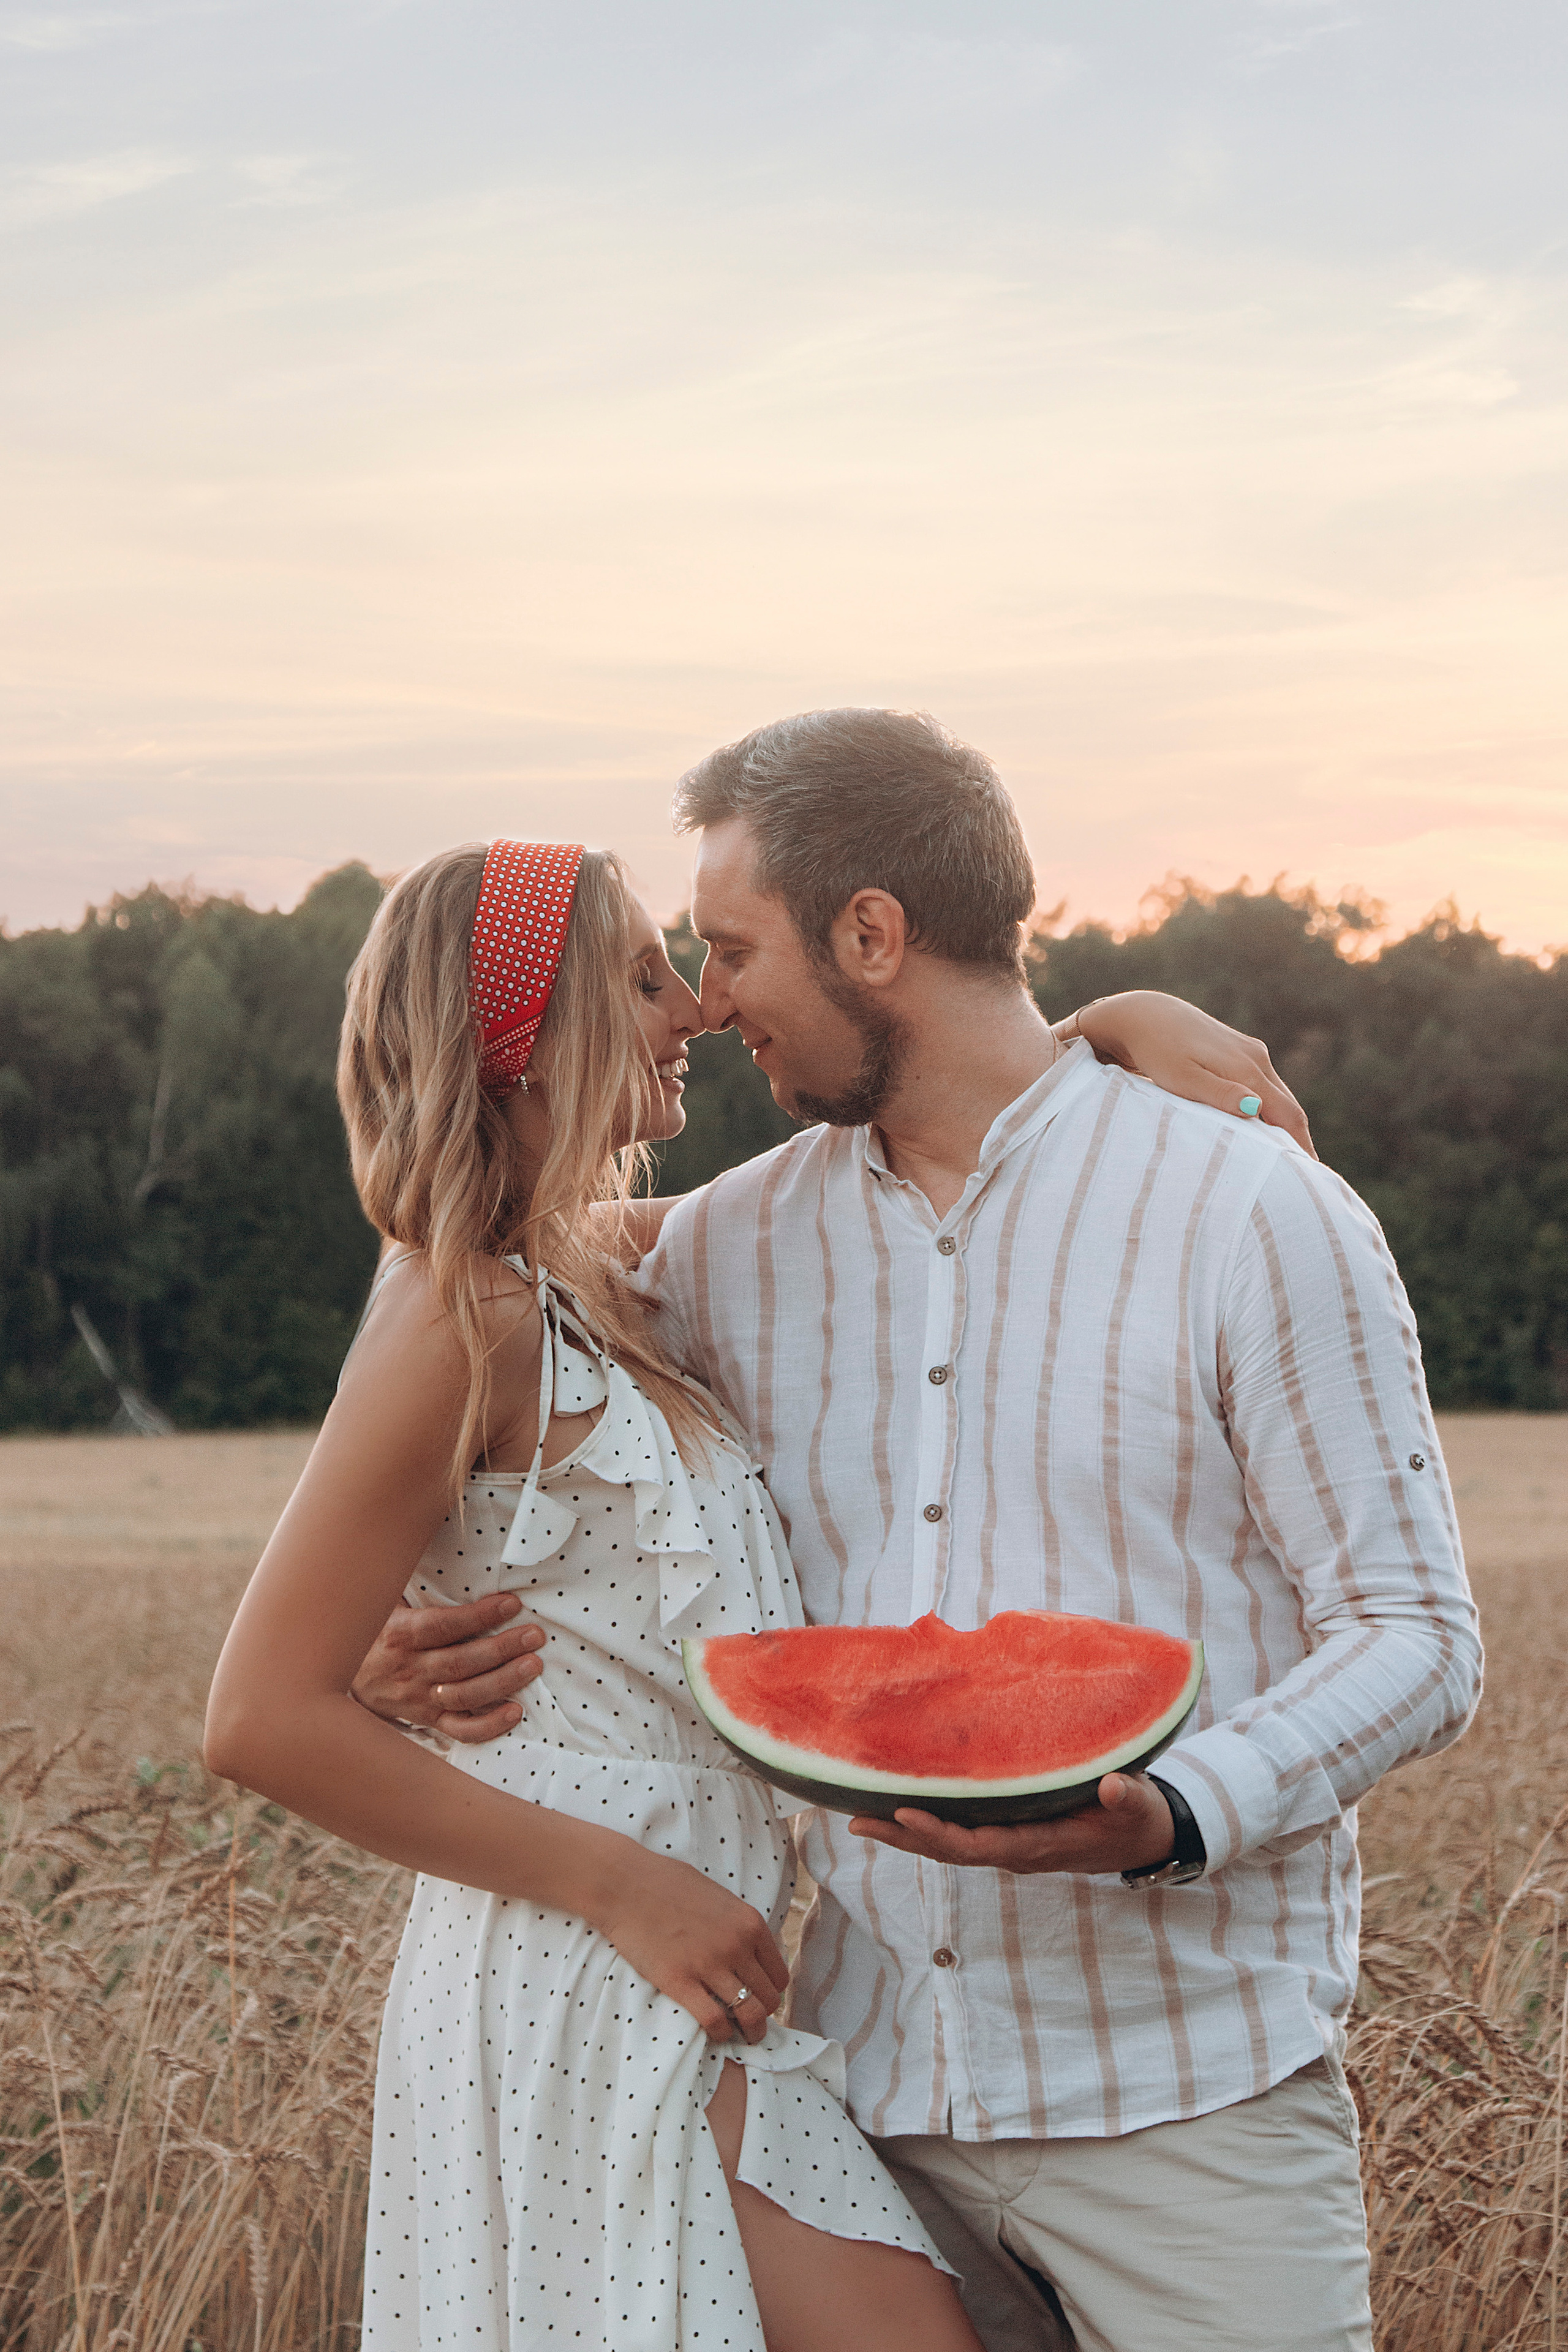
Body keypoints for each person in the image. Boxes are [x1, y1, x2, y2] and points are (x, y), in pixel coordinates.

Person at [356, 711, 1483, 2352]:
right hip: (867, 2102)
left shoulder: (1253, 1212)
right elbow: (461, 1257)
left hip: (1193, 2107)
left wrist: (1164, 1813)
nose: (710, 998)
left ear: (872, 934)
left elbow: (1417, 1636)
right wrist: (392, 1628)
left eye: (732, 950)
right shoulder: (726, 1249)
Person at [205, 837, 989, 2352]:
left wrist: (1125, 1025)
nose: (692, 1010)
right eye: (640, 977)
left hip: (682, 1968)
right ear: (521, 1038)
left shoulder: (581, 1275)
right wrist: (622, 1887)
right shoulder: (461, 1315)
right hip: (588, 1967)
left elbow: (892, 1151)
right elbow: (258, 1715)